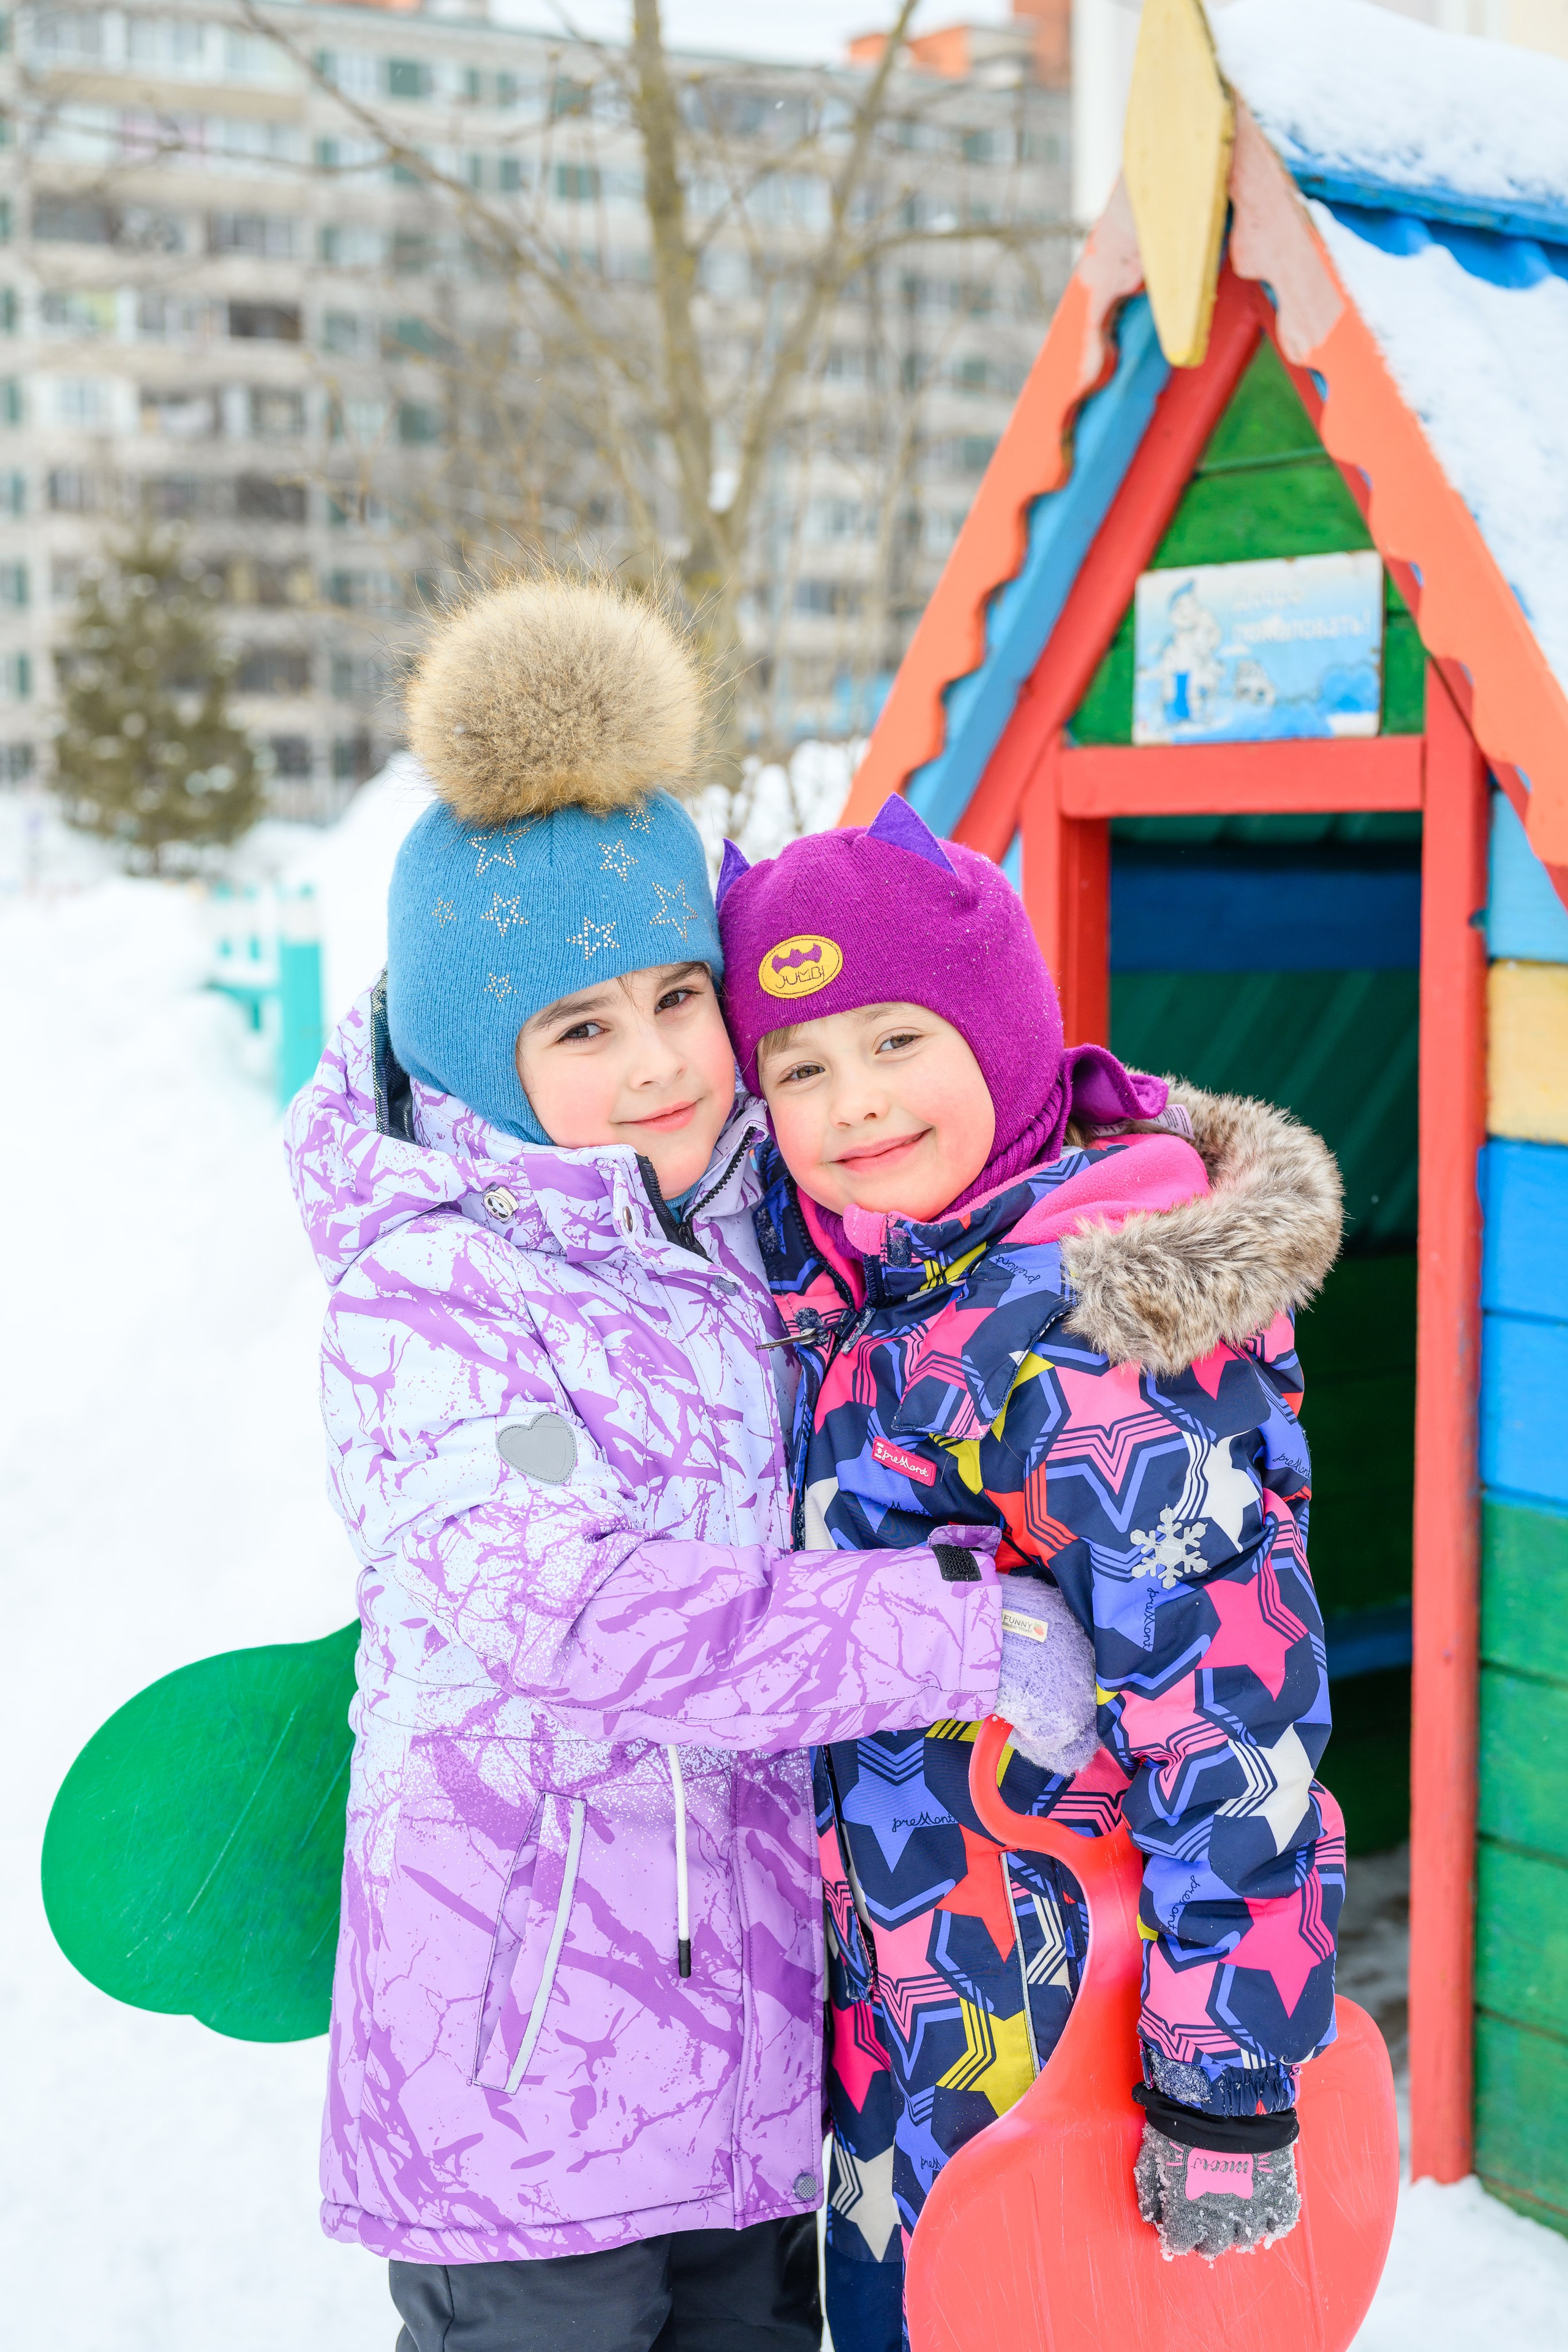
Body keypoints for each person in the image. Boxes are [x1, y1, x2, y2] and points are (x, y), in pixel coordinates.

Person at [285, 579, 1065, 2352]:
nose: (653, 1066)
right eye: (579, 1029)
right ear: (484, 1052)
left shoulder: (748, 1222)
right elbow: (589, 1620)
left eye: (676, 999)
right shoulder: (429, 1285)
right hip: (520, 2069)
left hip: (749, 2061)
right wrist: (962, 1631)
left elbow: (979, 1137)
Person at [716, 794, 1346, 2351]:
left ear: (1000, 1035)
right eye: (797, 1067)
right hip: (899, 2035)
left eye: (893, 1040)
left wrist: (1220, 2076)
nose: (851, 1101)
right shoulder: (854, 1291)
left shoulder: (1085, 1336)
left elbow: (1230, 1708)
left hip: (1061, 2042)